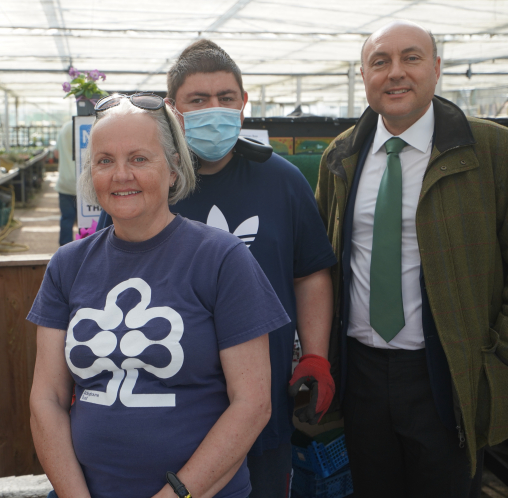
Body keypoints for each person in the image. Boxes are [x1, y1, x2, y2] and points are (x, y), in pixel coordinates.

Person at [315, 20, 508, 497]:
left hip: (447, 373)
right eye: (380, 61)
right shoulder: (342, 156)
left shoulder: (492, 150)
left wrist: (506, 355)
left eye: (411, 58)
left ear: (435, 69)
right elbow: (325, 261)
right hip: (361, 372)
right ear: (363, 76)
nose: (395, 73)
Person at [97, 41, 338, 497]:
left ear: (244, 103)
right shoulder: (148, 184)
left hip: (261, 403)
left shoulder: (283, 181)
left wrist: (315, 356)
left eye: (226, 98)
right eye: (198, 100)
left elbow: (309, 274)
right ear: (172, 110)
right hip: (168, 407)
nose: (215, 109)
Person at [28, 93, 290, 498]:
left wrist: (177, 494)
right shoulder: (67, 265)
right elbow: (46, 398)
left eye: (138, 158)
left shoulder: (222, 259)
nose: (120, 175)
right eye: (104, 161)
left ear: (173, 169)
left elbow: (253, 403)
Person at [55, 120, 77, 246]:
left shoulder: (64, 128)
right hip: (84, 183)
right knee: (86, 223)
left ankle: (65, 250)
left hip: (65, 182)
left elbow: (56, 153)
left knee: (67, 218)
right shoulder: (89, 125)